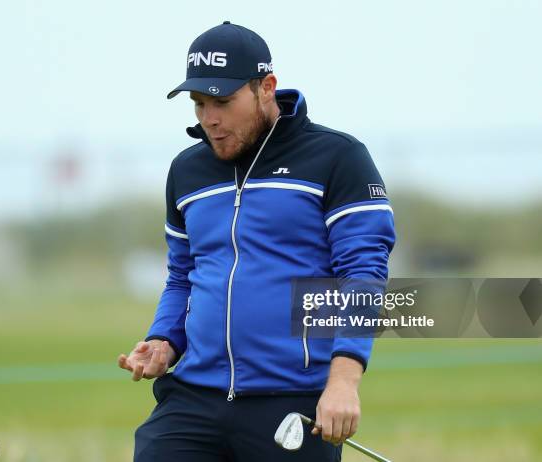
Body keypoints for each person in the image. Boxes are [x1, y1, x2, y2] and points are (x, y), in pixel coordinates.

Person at [119, 21, 396, 461]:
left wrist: (343, 383)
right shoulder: (187, 171)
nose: (210, 118)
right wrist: (164, 340)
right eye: (199, 103)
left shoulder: (337, 157)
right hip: (193, 398)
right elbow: (182, 277)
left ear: (266, 87)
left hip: (292, 403)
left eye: (224, 102)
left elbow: (363, 277)